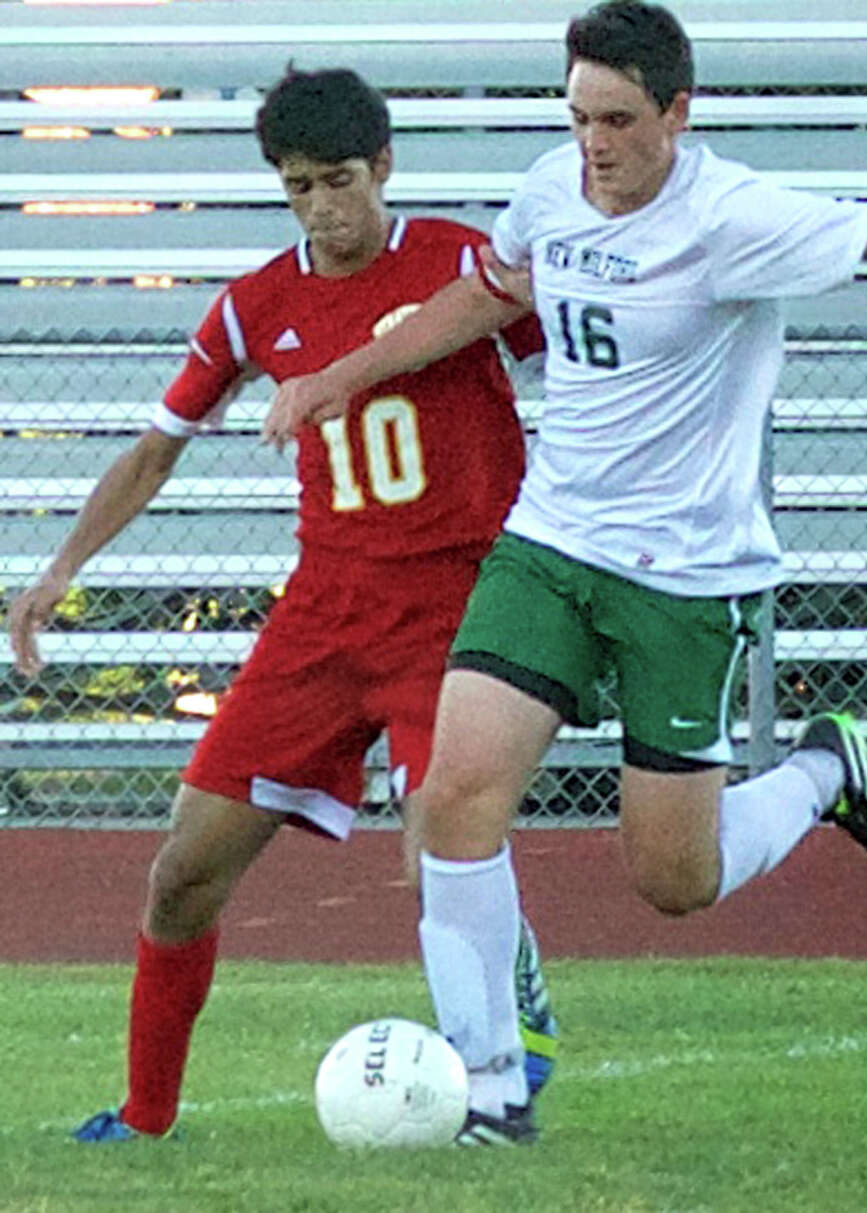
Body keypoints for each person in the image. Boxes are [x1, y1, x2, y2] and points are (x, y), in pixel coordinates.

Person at [262, 2, 867, 1145]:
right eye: (577, 117)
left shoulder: (735, 215)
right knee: (452, 798)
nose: (594, 143)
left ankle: (823, 770)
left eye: (616, 119)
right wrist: (339, 378)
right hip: (551, 546)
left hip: (686, 580)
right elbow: (488, 293)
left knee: (673, 880)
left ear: (676, 110)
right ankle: (494, 1086)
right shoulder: (553, 188)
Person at [6, 67, 558, 1144]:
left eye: (339, 181)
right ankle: (145, 1116)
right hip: (321, 620)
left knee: (434, 859)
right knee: (181, 874)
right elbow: (158, 447)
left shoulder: (460, 264)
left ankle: (501, 1062)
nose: (322, 209)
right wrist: (59, 567)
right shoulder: (255, 304)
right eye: (298, 188)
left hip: (455, 613)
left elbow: (578, 381)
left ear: (384, 166)